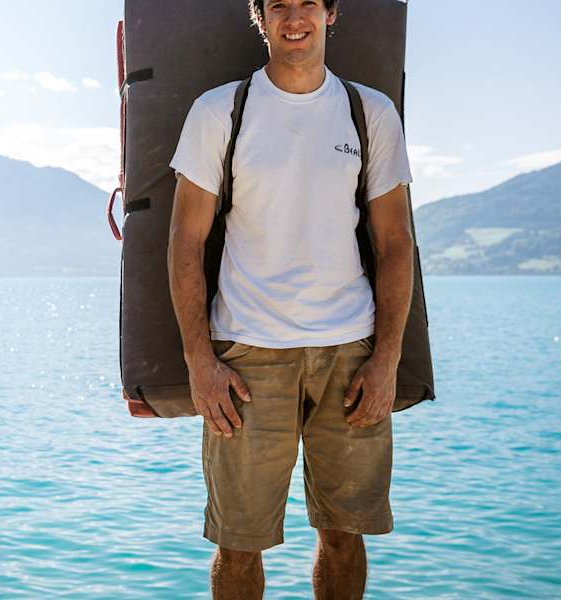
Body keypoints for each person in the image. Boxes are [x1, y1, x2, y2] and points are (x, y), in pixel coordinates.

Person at [166, 0, 416, 597]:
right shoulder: (219, 111)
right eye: (279, 4)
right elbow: (184, 242)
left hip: (349, 355)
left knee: (343, 533)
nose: (294, 17)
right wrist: (200, 363)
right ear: (260, 18)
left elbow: (395, 243)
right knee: (238, 541)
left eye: (309, 3)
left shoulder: (369, 113)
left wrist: (386, 361)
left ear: (331, 14)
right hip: (248, 357)